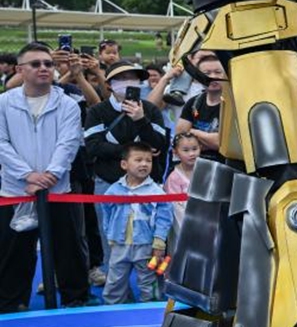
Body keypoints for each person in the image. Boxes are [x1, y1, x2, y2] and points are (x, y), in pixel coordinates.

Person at [0, 42, 87, 311]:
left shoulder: (68, 104)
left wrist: (50, 175)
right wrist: (27, 175)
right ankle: (12, 303)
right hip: (16, 191)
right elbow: (1, 143)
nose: (44, 68)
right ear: (20, 70)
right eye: (36, 64)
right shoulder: (3, 103)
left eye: (48, 64)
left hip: (58, 189)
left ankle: (75, 300)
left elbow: (68, 143)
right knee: (13, 253)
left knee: (69, 250)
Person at [99, 142, 173, 304]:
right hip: (119, 244)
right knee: (114, 282)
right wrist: (109, 235)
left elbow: (164, 218)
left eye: (148, 160)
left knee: (149, 281)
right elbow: (106, 212)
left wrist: (159, 243)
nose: (144, 164)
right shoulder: (114, 190)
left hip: (146, 245)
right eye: (138, 160)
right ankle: (115, 311)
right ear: (124, 164)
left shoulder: (156, 192)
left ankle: (152, 312)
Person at [84, 61, 170, 193]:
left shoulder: (151, 110)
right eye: (121, 79)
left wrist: (141, 120)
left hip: (146, 184)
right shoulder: (97, 111)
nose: (128, 82)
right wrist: (132, 151)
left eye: (133, 78)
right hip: (108, 182)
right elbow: (93, 146)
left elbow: (158, 144)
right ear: (109, 84)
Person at [174, 55, 226, 163]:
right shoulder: (193, 102)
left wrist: (193, 132)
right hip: (194, 165)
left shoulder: (232, 104)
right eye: (207, 73)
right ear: (198, 76)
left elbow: (221, 143)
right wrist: (209, 140)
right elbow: (180, 136)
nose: (212, 77)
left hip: (223, 165)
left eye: (217, 72)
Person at [165, 132, 201, 228]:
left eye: (195, 149)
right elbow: (175, 208)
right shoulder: (174, 178)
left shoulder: (205, 171)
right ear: (175, 152)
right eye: (186, 150)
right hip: (183, 224)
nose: (192, 154)